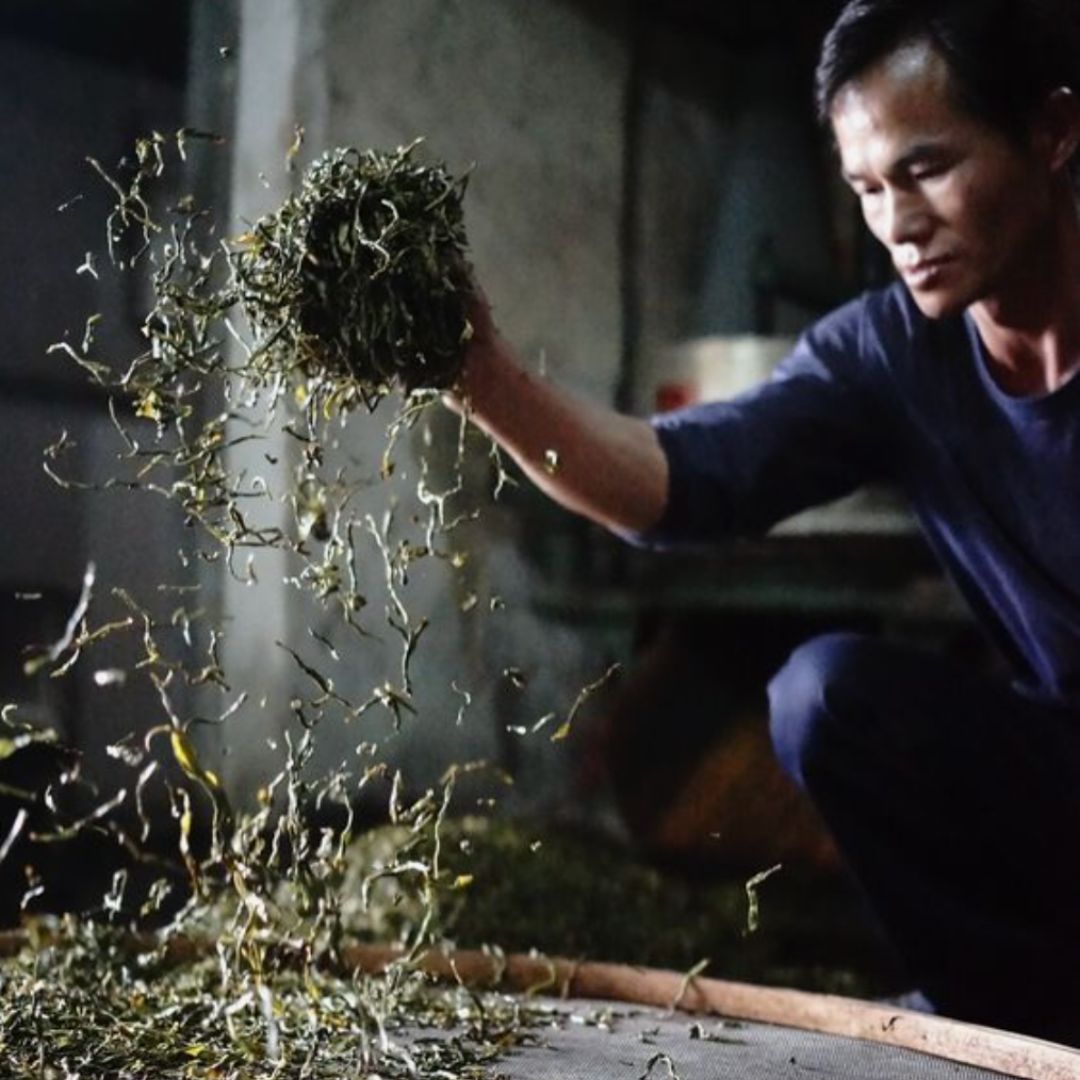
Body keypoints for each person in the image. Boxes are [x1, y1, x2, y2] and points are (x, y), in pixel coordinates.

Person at [450, 0, 1080, 1043]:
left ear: (1052, 132)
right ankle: (1004, 1012)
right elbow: (675, 482)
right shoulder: (890, 352)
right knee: (826, 696)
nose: (898, 222)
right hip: (1056, 774)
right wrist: (479, 377)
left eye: (926, 169)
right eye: (867, 189)